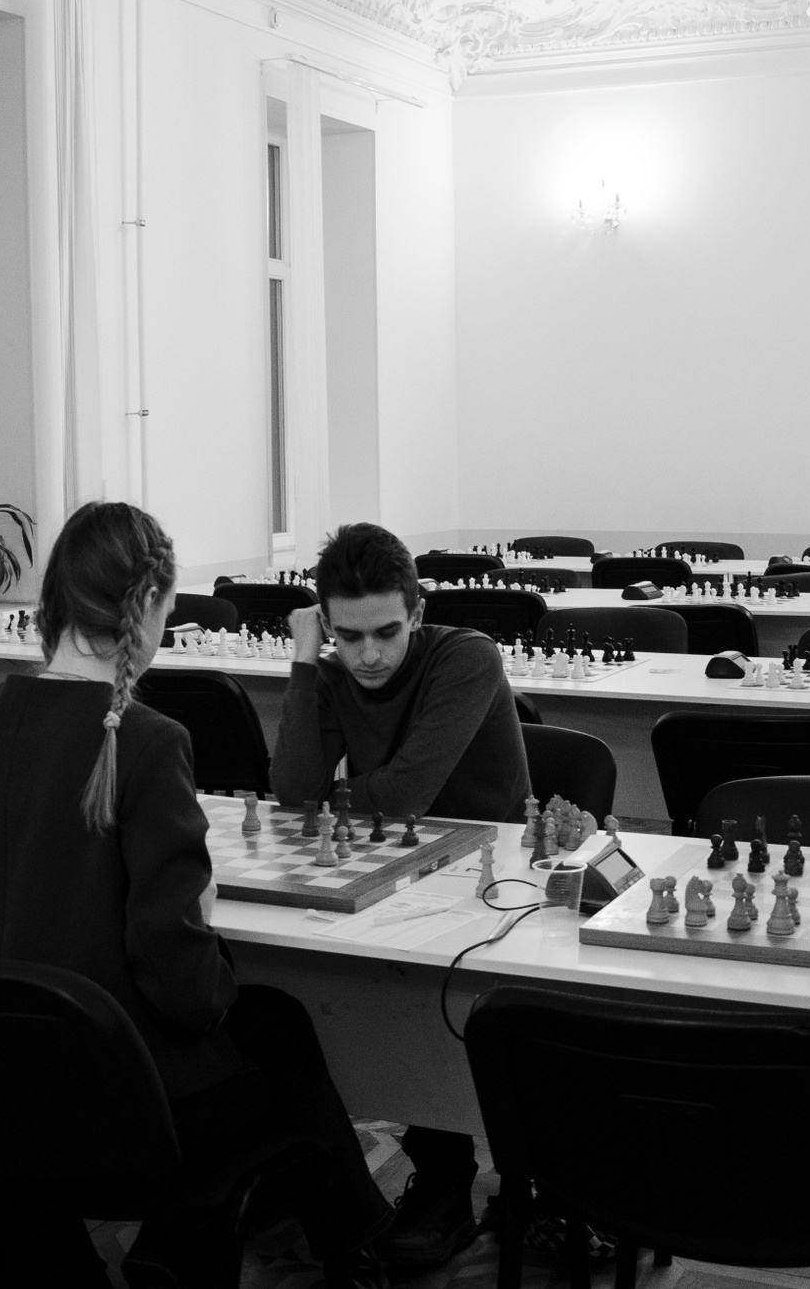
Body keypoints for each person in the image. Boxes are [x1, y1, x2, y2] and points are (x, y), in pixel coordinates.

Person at [0, 502, 393, 1287]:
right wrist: (203, 918)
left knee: (275, 1024)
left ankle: (275, 1236)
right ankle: (288, 1240)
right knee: (277, 1042)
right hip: (115, 1107)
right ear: (145, 605)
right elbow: (183, 989)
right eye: (167, 610)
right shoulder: (147, 740)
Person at [270, 522, 530, 1269]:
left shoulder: (468, 655)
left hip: (491, 876)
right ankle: (401, 1168)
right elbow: (292, 789)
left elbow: (408, 790)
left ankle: (462, 1176)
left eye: (386, 632)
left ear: (417, 613)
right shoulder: (331, 671)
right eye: (347, 637)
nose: (369, 655)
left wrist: (339, 797)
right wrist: (304, 663)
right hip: (388, 863)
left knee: (431, 988)